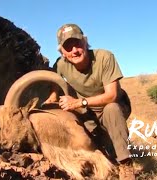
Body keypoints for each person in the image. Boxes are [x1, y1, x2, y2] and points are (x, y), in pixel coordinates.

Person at [44, 23, 135, 180]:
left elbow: (112, 95)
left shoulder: (104, 57)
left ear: (85, 42)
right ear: (62, 52)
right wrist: (52, 98)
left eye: (77, 43)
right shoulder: (60, 64)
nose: (74, 50)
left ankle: (126, 166)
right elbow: (55, 83)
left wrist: (79, 103)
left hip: (114, 106)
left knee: (111, 109)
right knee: (99, 148)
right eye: (68, 47)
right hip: (88, 113)